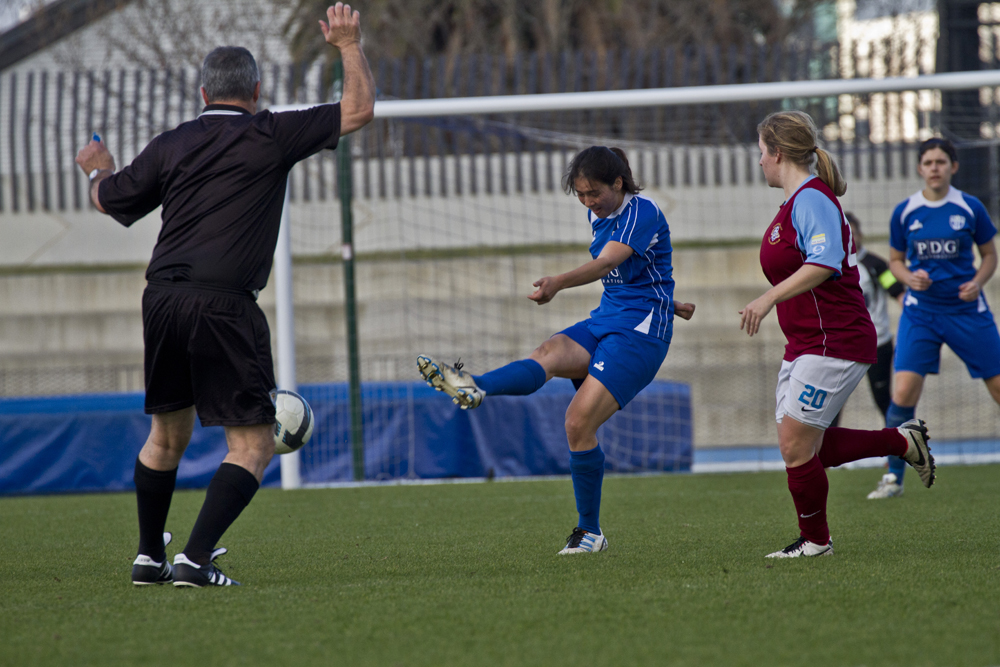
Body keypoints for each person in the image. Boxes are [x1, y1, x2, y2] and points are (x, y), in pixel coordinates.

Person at [73, 3, 375, 587]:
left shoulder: (174, 142)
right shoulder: (271, 132)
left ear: (203, 93)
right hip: (223, 304)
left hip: (162, 300)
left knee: (166, 436)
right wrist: (347, 45)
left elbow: (110, 200)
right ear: (256, 92)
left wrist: (97, 169)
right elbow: (358, 110)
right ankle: (194, 559)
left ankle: (148, 557)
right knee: (254, 444)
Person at [416, 146, 695, 555]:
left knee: (577, 423)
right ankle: (473, 385)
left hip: (640, 332)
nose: (588, 202)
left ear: (618, 183)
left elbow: (607, 264)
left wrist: (559, 282)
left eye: (594, 192)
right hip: (608, 318)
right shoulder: (598, 214)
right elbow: (638, 274)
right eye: (580, 194)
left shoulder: (642, 211)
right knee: (548, 352)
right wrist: (671, 299)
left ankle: (590, 533)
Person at [739, 110, 935, 559]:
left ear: (778, 153)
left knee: (796, 447)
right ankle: (901, 442)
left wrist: (767, 299)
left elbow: (824, 263)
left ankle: (815, 542)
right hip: (807, 342)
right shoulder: (795, 203)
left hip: (835, 340)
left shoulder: (812, 199)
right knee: (807, 449)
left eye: (762, 152)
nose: (760, 161)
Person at [868, 137, 1000, 499]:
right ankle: (893, 477)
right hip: (921, 313)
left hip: (966, 311)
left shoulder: (970, 207)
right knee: (903, 392)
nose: (934, 168)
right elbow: (895, 261)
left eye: (941, 162)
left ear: (953, 167)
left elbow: (989, 255)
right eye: (928, 163)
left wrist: (977, 282)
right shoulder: (905, 212)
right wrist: (909, 278)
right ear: (919, 168)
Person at [828, 212, 904, 433]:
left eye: (853, 233)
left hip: (876, 343)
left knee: (883, 399)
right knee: (832, 404)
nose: (851, 238)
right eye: (846, 234)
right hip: (842, 347)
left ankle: (897, 444)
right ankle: (826, 449)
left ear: (860, 234)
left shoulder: (875, 265)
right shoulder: (830, 267)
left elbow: (897, 292)